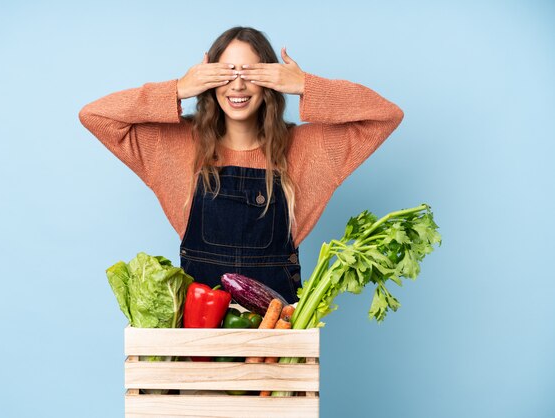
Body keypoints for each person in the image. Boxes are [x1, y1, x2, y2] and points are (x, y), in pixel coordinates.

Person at [78, 26, 404, 304]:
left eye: (250, 73)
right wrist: (178, 89)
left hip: (277, 340)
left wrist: (306, 84)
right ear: (208, 80)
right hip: (200, 341)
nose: (237, 85)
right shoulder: (174, 147)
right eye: (226, 73)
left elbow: (386, 116)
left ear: (271, 82)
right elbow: (95, 115)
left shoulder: (309, 150)